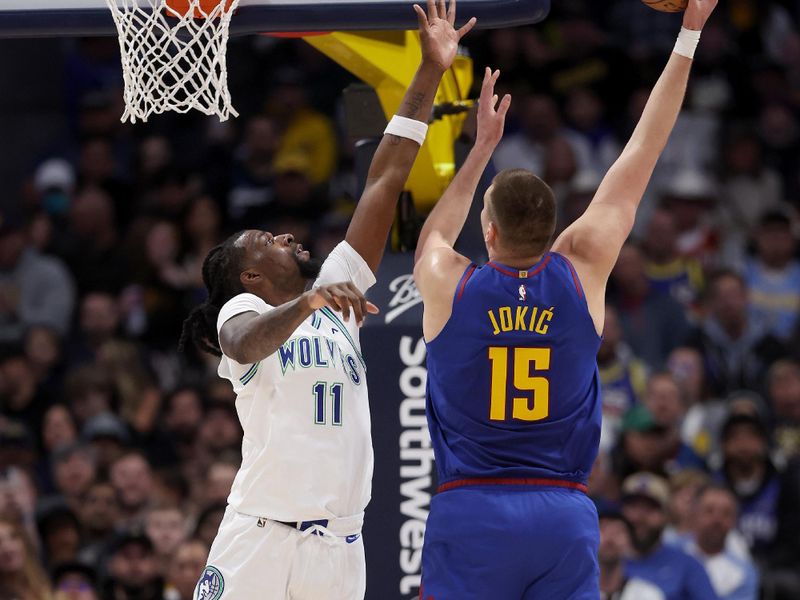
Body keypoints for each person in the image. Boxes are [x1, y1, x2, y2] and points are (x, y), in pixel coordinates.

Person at [413, 1, 719, 597]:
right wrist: (688, 34)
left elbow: (432, 237)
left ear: (490, 232)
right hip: (563, 513)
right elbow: (643, 150)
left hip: (471, 508)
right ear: (554, 227)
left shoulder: (452, 282)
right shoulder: (584, 268)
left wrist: (479, 150)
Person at [177, 2, 476, 598]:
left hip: (340, 544)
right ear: (250, 278)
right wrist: (311, 301)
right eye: (267, 241)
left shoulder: (336, 284)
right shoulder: (246, 313)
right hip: (261, 536)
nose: (286, 237)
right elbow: (240, 343)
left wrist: (430, 71)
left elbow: (386, 179)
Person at [621, 473, 717, 600]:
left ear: (666, 515)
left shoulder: (687, 566)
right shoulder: (603, 563)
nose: (640, 517)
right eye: (633, 507)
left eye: (650, 508)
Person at [683, 484, 759, 600]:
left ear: (734, 521)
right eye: (709, 511)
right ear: (694, 514)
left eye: (726, 513)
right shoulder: (668, 550)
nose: (717, 520)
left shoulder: (743, 573)